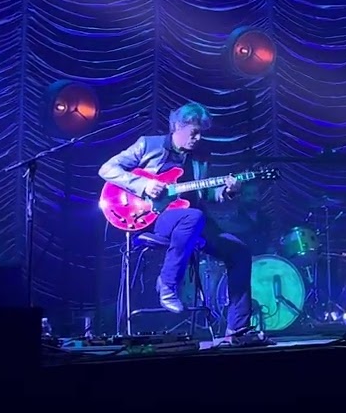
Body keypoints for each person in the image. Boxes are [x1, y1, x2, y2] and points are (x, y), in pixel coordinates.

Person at [99, 102, 266, 345]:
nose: (198, 138)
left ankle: (237, 330)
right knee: (193, 217)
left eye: (201, 133)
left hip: (193, 222)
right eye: (194, 132)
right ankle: (168, 282)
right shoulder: (148, 144)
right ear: (177, 126)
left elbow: (205, 194)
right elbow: (107, 169)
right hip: (154, 220)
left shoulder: (201, 156)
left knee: (239, 251)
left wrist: (228, 192)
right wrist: (143, 185)